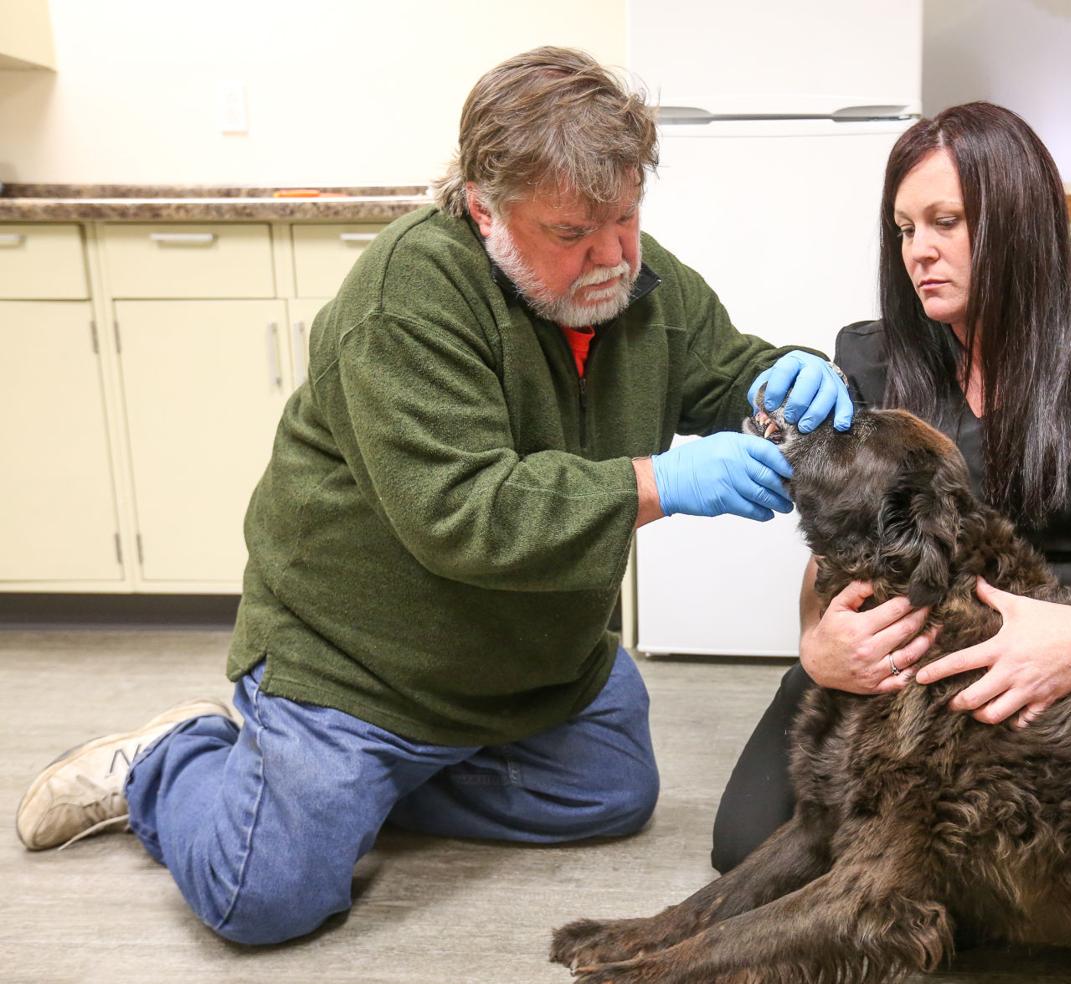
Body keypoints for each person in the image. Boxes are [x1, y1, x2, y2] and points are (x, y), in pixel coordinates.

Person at [14, 47, 852, 945]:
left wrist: (782, 375)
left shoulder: (638, 281)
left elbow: (724, 369)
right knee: (264, 898)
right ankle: (171, 761)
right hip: (366, 664)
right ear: (484, 209)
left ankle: (352, 789)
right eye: (573, 233)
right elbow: (462, 512)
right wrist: (663, 482)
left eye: (627, 216)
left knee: (612, 795)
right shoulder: (409, 295)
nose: (614, 254)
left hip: (528, 658)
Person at [713, 101, 1071, 872]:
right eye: (904, 229)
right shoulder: (870, 355)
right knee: (748, 847)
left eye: (944, 222)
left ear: (1017, 221)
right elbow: (835, 550)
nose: (918, 251)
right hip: (906, 664)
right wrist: (819, 644)